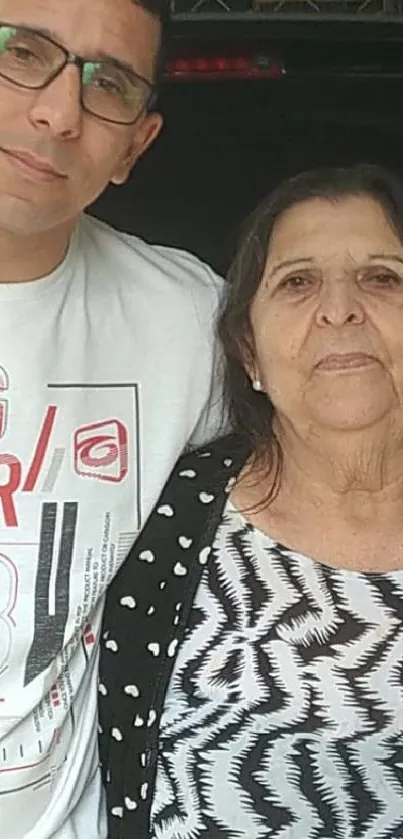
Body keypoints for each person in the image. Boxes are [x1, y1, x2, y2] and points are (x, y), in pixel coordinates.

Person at [100, 162, 403, 839]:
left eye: (382, 277)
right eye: (297, 282)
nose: (339, 307)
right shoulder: (166, 511)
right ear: (249, 350)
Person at [0, 1, 225, 838]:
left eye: (109, 85)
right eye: (23, 53)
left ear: (136, 144)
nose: (58, 114)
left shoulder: (190, 322)